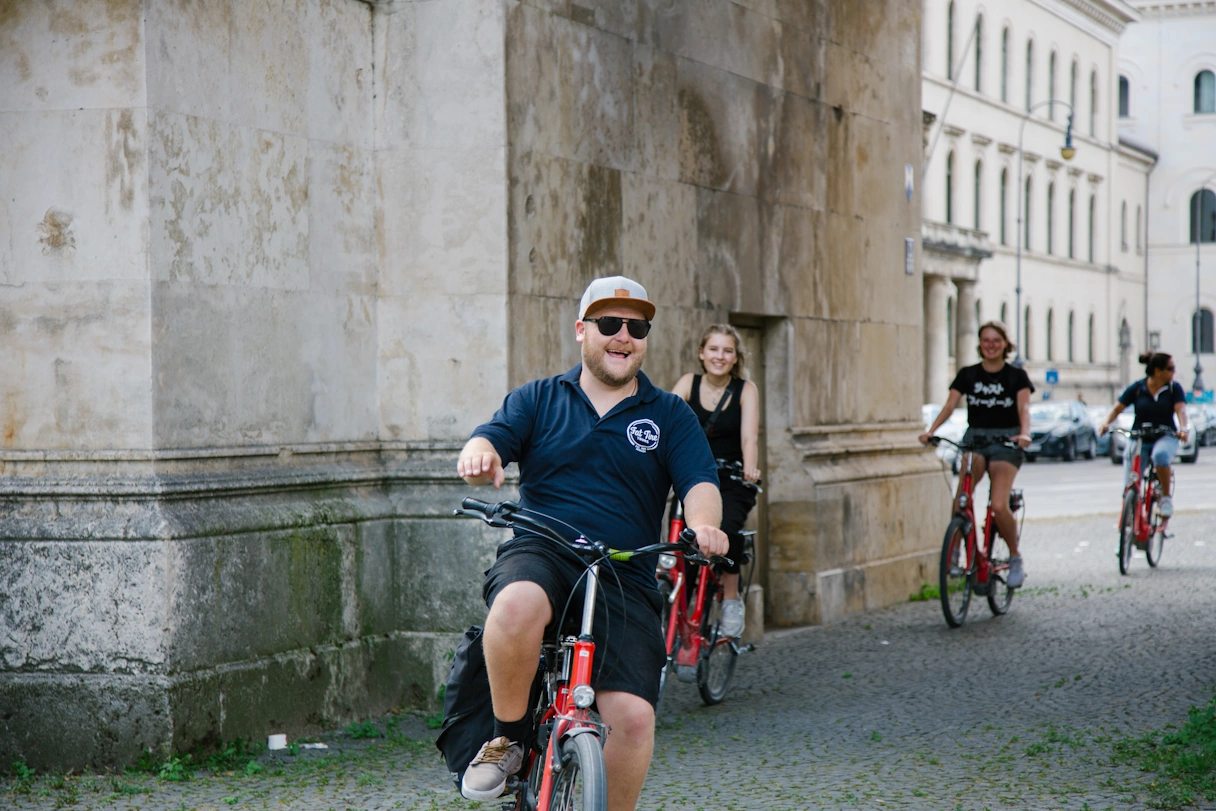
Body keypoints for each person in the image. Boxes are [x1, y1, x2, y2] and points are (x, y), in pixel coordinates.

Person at [455, 276, 729, 810]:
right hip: (544, 550)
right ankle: (507, 740)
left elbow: (699, 481)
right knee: (515, 606)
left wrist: (704, 525)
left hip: (624, 572)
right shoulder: (538, 398)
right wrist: (480, 453)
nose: (623, 335)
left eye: (637, 326)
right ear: (582, 330)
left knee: (632, 716)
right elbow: (491, 436)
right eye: (610, 324)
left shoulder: (669, 413)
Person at [919, 321, 1033, 588]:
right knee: (962, 496)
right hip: (975, 439)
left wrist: (1024, 434)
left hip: (1006, 440)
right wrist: (931, 431)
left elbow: (1024, 409)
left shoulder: (1017, 376)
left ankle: (1015, 557)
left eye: (996, 340)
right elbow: (950, 405)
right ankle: (956, 552)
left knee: (997, 504)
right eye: (986, 340)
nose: (990, 345)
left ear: (1005, 344)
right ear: (979, 344)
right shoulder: (968, 374)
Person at [671, 324, 760, 638]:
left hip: (731, 477)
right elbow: (666, 422)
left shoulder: (745, 390)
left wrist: (749, 467)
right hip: (691, 477)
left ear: (735, 358)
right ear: (701, 353)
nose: (719, 356)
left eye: (727, 351)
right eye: (713, 349)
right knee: (685, 542)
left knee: (728, 529)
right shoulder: (687, 384)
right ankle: (682, 617)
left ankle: (732, 599)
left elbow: (749, 437)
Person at [1095, 352, 1189, 518]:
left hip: (1164, 435)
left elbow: (1180, 409)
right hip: (1140, 436)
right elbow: (1118, 408)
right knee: (1131, 471)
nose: (1173, 372)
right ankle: (1130, 508)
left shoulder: (1174, 388)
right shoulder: (1138, 388)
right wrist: (1105, 423)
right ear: (1157, 371)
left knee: (1160, 455)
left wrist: (1183, 428)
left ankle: (1165, 498)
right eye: (1170, 368)